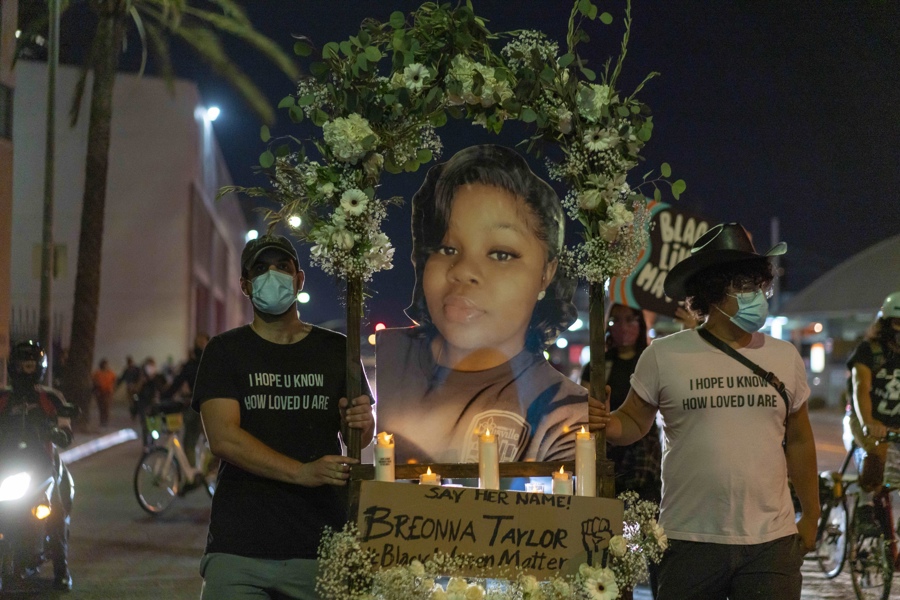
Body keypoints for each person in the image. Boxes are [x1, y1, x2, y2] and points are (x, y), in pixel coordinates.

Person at [591, 223, 819, 600]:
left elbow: (799, 438)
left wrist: (810, 515)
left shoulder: (785, 357)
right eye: (742, 286)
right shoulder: (664, 355)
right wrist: (607, 423)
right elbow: (632, 420)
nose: (756, 295)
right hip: (688, 540)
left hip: (771, 543)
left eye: (757, 284)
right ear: (712, 292)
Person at [376, 145, 587, 464]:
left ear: (546, 274)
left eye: (501, 254)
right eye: (446, 248)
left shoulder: (563, 414)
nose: (463, 271)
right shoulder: (383, 361)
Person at [191, 234, 375, 600]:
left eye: (282, 266)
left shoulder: (337, 348)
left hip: (321, 544)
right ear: (245, 285)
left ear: (299, 279)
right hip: (240, 549)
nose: (271, 275)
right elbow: (224, 438)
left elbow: (358, 432)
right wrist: (302, 472)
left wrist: (362, 424)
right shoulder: (225, 351)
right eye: (260, 269)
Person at [0, 340, 76, 591]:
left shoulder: (51, 397)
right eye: (21, 364)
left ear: (39, 367)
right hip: (7, 463)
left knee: (54, 511)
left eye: (30, 364)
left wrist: (58, 433)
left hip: (42, 464)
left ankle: (61, 570)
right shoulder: (3, 397)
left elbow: (65, 428)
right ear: (13, 366)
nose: (25, 369)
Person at [580, 304, 661, 503]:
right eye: (616, 320)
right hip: (607, 449)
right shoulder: (597, 366)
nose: (623, 327)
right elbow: (583, 407)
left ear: (640, 323)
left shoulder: (650, 362)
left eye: (630, 319)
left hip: (644, 453)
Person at [843, 292, 900, 520]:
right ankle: (865, 509)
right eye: (897, 323)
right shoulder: (869, 351)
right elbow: (861, 388)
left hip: (896, 425)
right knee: (878, 453)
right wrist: (869, 422)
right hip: (867, 420)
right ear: (884, 323)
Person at [163, 332, 209, 468]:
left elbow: (177, 383)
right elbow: (177, 382)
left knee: (196, 440)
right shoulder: (199, 363)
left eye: (202, 342)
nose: (200, 345)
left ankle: (200, 472)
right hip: (199, 406)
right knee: (191, 440)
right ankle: (194, 473)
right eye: (199, 343)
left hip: (204, 407)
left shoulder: (206, 363)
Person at [91, 358, 116, 429]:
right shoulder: (97, 373)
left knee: (106, 407)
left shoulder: (110, 373)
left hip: (108, 393)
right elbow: (94, 382)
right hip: (100, 393)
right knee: (101, 407)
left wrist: (112, 389)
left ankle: (105, 421)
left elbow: (114, 381)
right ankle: (102, 421)